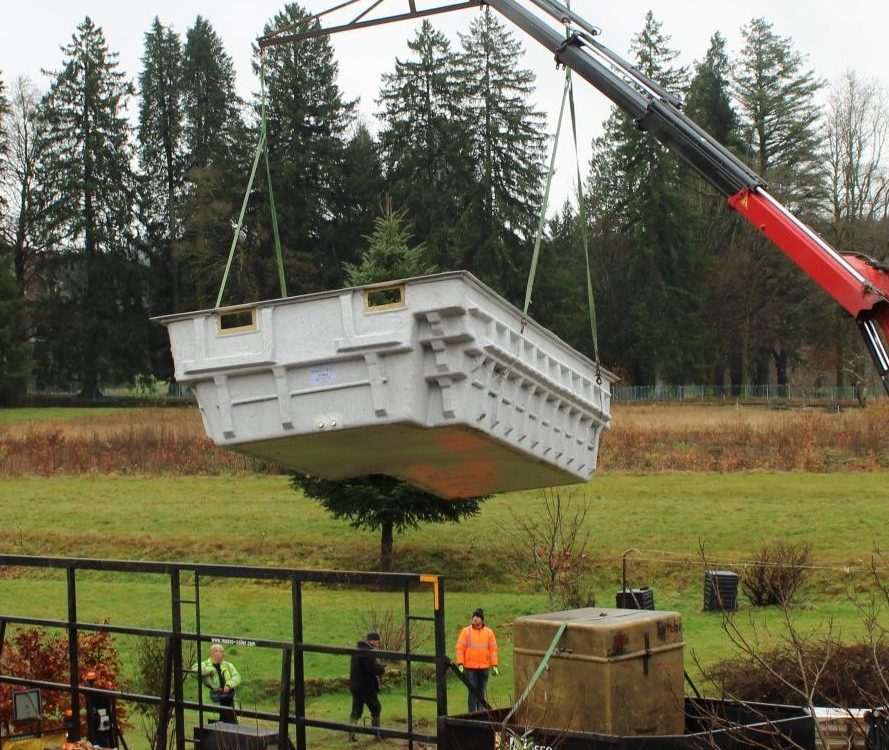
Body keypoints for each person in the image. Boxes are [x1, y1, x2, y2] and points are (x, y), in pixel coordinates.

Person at [455, 608, 498, 712]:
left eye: (477, 617)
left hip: (484, 667)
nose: (475, 619)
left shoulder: (489, 632)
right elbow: (460, 648)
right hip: (470, 667)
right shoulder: (466, 632)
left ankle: (481, 712)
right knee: (472, 692)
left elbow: (493, 650)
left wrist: (494, 665)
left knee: (481, 691)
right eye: (474, 617)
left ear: (482, 619)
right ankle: (472, 713)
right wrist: (460, 663)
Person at [349, 631, 386, 742]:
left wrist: (379, 667)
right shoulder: (368, 652)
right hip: (366, 687)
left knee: (356, 710)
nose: (378, 644)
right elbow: (371, 669)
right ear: (372, 641)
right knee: (376, 708)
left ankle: (351, 735)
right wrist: (382, 670)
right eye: (377, 642)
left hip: (356, 686)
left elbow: (368, 666)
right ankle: (377, 734)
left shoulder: (357, 650)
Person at [195, 644, 241, 724]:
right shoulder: (204, 665)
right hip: (214, 708)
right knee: (215, 734)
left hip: (230, 706)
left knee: (232, 734)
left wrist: (229, 685)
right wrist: (210, 670)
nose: (224, 654)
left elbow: (237, 677)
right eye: (222, 652)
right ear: (215, 653)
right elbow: (194, 670)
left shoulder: (229, 666)